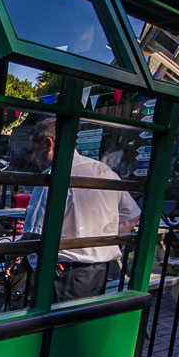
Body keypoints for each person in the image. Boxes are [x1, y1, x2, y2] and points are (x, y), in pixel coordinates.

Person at [17, 116, 141, 302]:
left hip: (62, 273)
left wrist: (13, 257)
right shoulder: (104, 170)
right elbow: (131, 217)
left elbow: (34, 233)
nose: (34, 159)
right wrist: (101, 245)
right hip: (98, 271)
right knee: (79, 325)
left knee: (54, 327)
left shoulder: (52, 176)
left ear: (48, 144)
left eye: (33, 151)